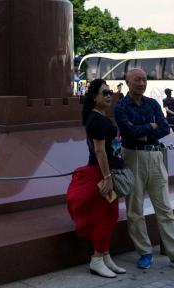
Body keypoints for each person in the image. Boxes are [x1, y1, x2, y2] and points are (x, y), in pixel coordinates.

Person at [115, 67, 174, 273]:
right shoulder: (121, 107)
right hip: (133, 156)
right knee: (135, 208)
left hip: (155, 156)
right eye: (137, 80)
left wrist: (145, 129)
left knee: (165, 207)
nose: (142, 83)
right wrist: (149, 127)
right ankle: (144, 251)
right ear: (127, 82)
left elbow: (163, 128)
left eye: (144, 80)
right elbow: (129, 131)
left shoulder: (152, 103)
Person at [66, 79, 126, 278]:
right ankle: (97, 259)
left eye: (110, 92)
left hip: (105, 171)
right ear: (94, 97)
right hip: (100, 174)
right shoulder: (96, 119)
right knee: (103, 216)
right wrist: (107, 177)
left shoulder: (100, 116)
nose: (109, 95)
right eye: (104, 93)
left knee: (110, 215)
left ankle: (105, 256)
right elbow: (100, 151)